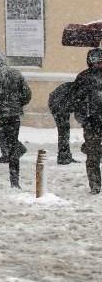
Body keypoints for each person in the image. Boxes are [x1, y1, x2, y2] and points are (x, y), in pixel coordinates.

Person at [0, 51, 31, 189]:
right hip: (13, 117)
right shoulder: (16, 74)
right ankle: (14, 181)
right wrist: (17, 105)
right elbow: (27, 94)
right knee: (13, 147)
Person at [69, 48, 102, 194]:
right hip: (92, 122)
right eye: (95, 61)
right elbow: (75, 99)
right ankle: (95, 185)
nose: (97, 64)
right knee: (92, 155)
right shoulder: (83, 77)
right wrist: (83, 118)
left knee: (93, 153)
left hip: (94, 120)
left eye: (100, 61)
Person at [48, 81, 78, 165]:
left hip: (59, 104)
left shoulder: (76, 87)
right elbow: (79, 107)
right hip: (59, 106)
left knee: (64, 132)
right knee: (64, 131)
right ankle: (63, 157)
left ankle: (64, 156)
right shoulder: (80, 90)